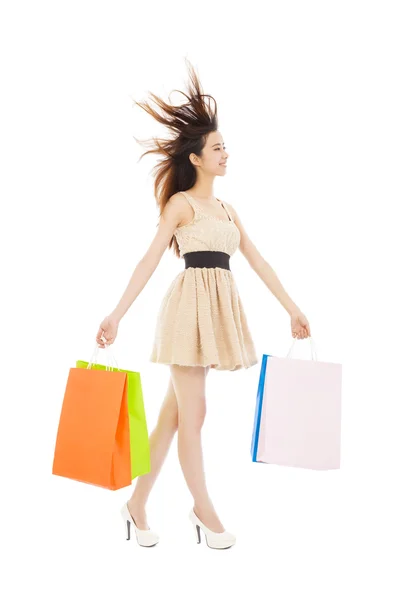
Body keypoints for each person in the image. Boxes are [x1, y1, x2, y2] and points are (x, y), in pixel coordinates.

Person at [95, 59, 311, 549]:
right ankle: (203, 510)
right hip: (186, 313)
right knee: (195, 415)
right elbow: (149, 261)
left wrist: (293, 309)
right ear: (196, 158)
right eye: (217, 148)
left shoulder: (228, 210)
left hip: (216, 316)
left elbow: (258, 262)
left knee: (175, 416)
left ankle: (135, 505)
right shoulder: (182, 205)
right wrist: (116, 315)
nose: (225, 153)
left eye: (224, 146)